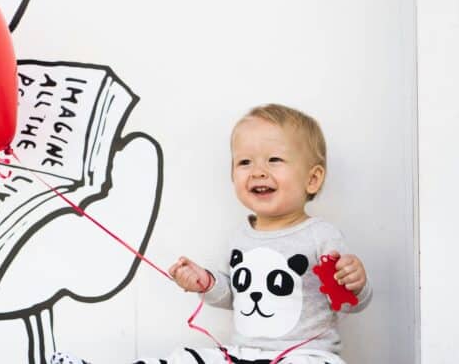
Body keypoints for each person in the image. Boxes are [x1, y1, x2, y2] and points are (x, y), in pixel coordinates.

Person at [51, 103, 372, 364]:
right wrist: (205, 281)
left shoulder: (321, 236)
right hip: (243, 356)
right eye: (245, 162)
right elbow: (234, 294)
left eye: (274, 160)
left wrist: (356, 282)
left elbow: (350, 303)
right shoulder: (241, 238)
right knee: (184, 358)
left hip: (304, 355)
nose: (258, 170)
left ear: (312, 180)